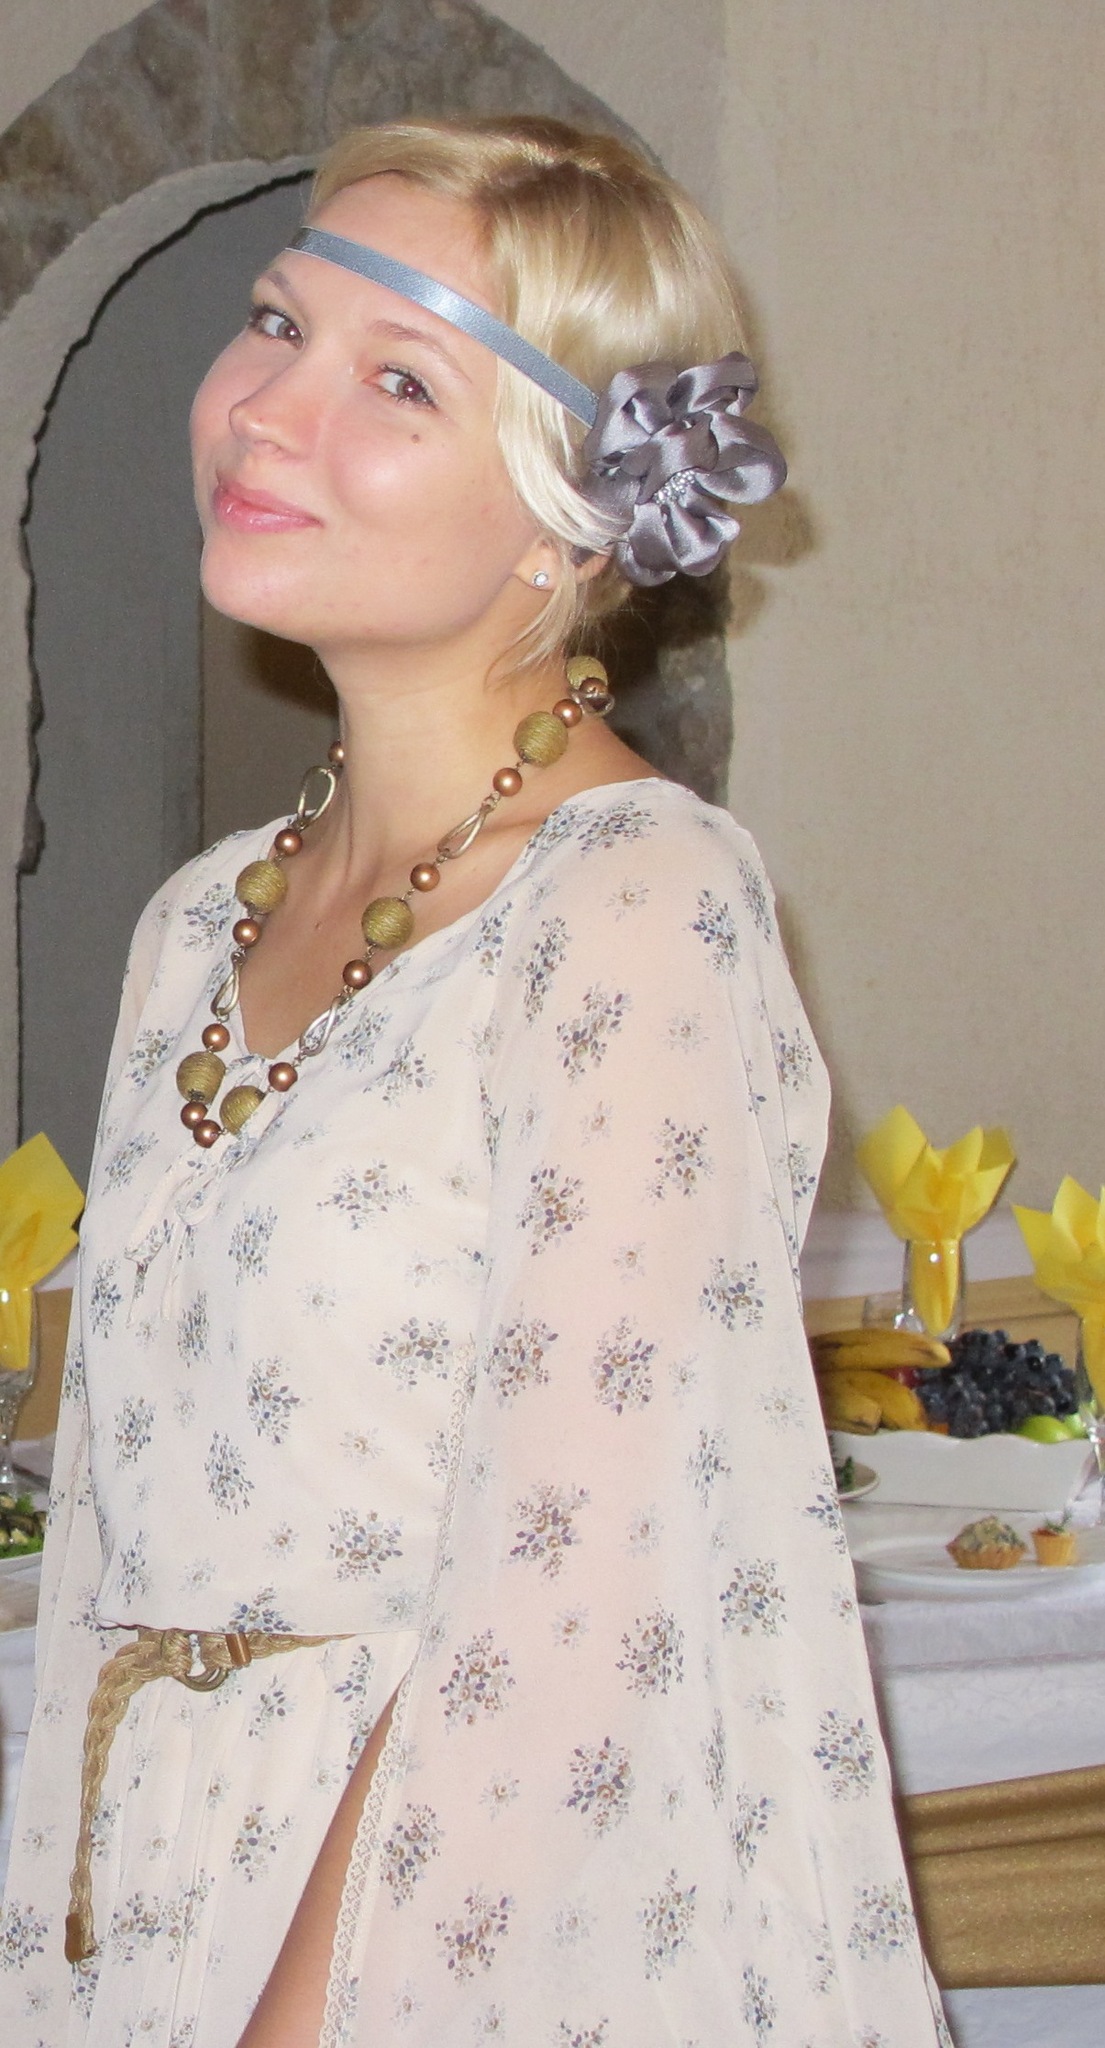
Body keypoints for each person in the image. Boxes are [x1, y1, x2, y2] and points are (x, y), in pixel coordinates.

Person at [0, 116, 951, 2048]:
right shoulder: (199, 922)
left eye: (399, 381)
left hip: (459, 1933)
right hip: (158, 1892)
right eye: (277, 323)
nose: (266, 411)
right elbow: (108, 1521)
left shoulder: (633, 908)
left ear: (567, 518)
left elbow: (573, 1608)